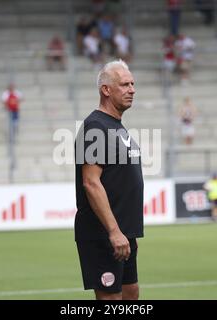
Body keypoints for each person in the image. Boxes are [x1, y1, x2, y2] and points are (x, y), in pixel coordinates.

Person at [74, 60, 143, 300]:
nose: (132, 89)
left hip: (124, 233)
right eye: (125, 84)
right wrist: (114, 232)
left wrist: (125, 232)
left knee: (130, 294)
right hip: (103, 233)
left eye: (133, 84)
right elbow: (91, 183)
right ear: (106, 90)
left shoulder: (116, 127)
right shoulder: (95, 126)